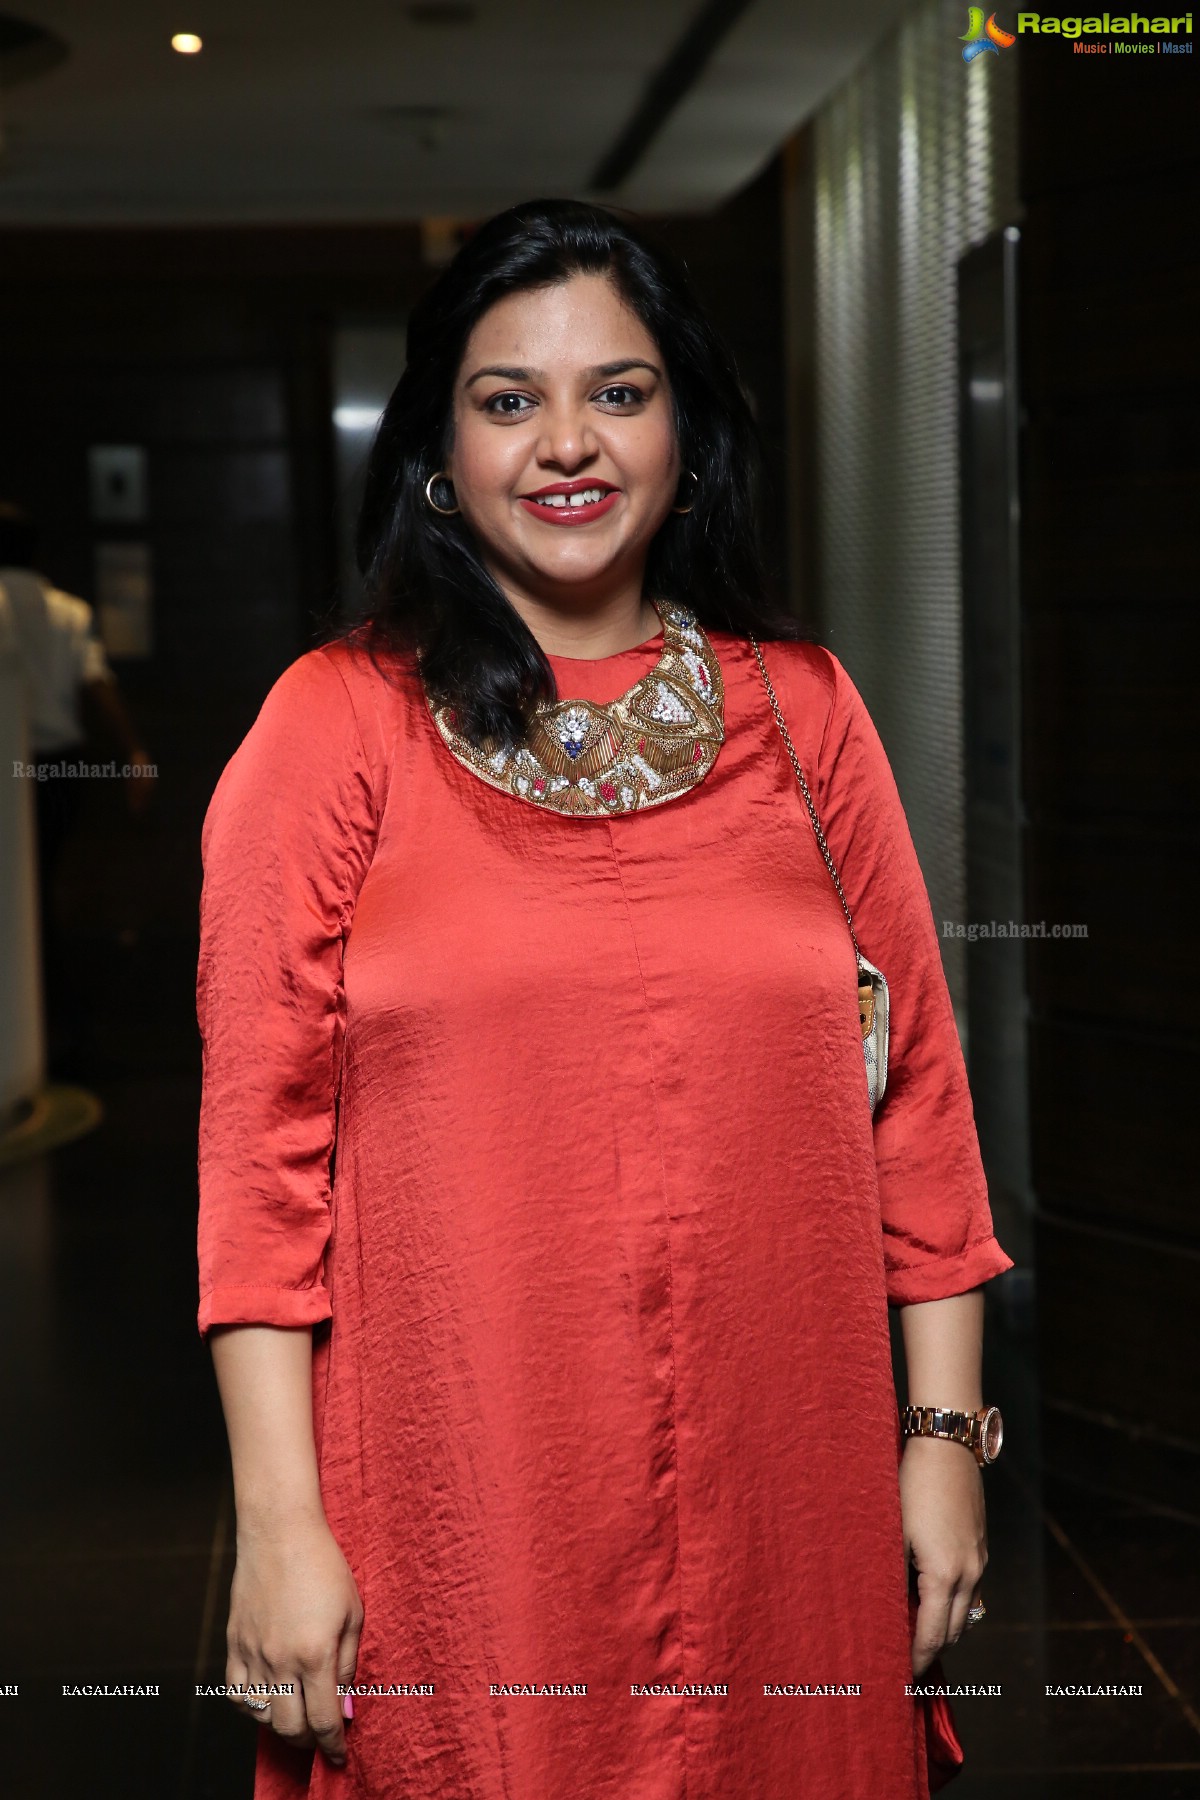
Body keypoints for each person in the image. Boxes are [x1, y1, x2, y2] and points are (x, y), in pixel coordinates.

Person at [196, 199, 1012, 1800]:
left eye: (618, 393)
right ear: (440, 446)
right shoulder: (332, 725)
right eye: (510, 400)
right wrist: (281, 1528)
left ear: (686, 430)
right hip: (463, 1482)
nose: (567, 442)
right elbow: (258, 1168)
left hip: (792, 1477)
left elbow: (914, 1098)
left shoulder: (810, 713)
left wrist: (943, 1446)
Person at [0, 503, 155, 1070]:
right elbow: (97, 685)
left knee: (25, 896)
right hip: (62, 767)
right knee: (41, 888)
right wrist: (134, 752)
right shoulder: (66, 611)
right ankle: (59, 1019)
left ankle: (48, 1019)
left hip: (9, 768)